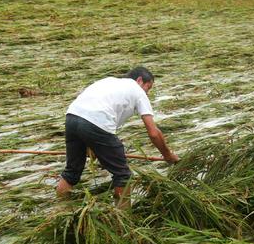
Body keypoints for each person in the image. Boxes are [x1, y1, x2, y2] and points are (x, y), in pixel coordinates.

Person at [56, 66, 179, 205]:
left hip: (72, 117)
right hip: (96, 122)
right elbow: (153, 133)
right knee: (123, 175)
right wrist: (167, 155)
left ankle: (60, 210)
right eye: (148, 88)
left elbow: (91, 112)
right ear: (139, 80)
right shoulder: (138, 91)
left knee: (71, 172)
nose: (147, 93)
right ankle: (123, 219)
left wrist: (91, 145)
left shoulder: (109, 81)